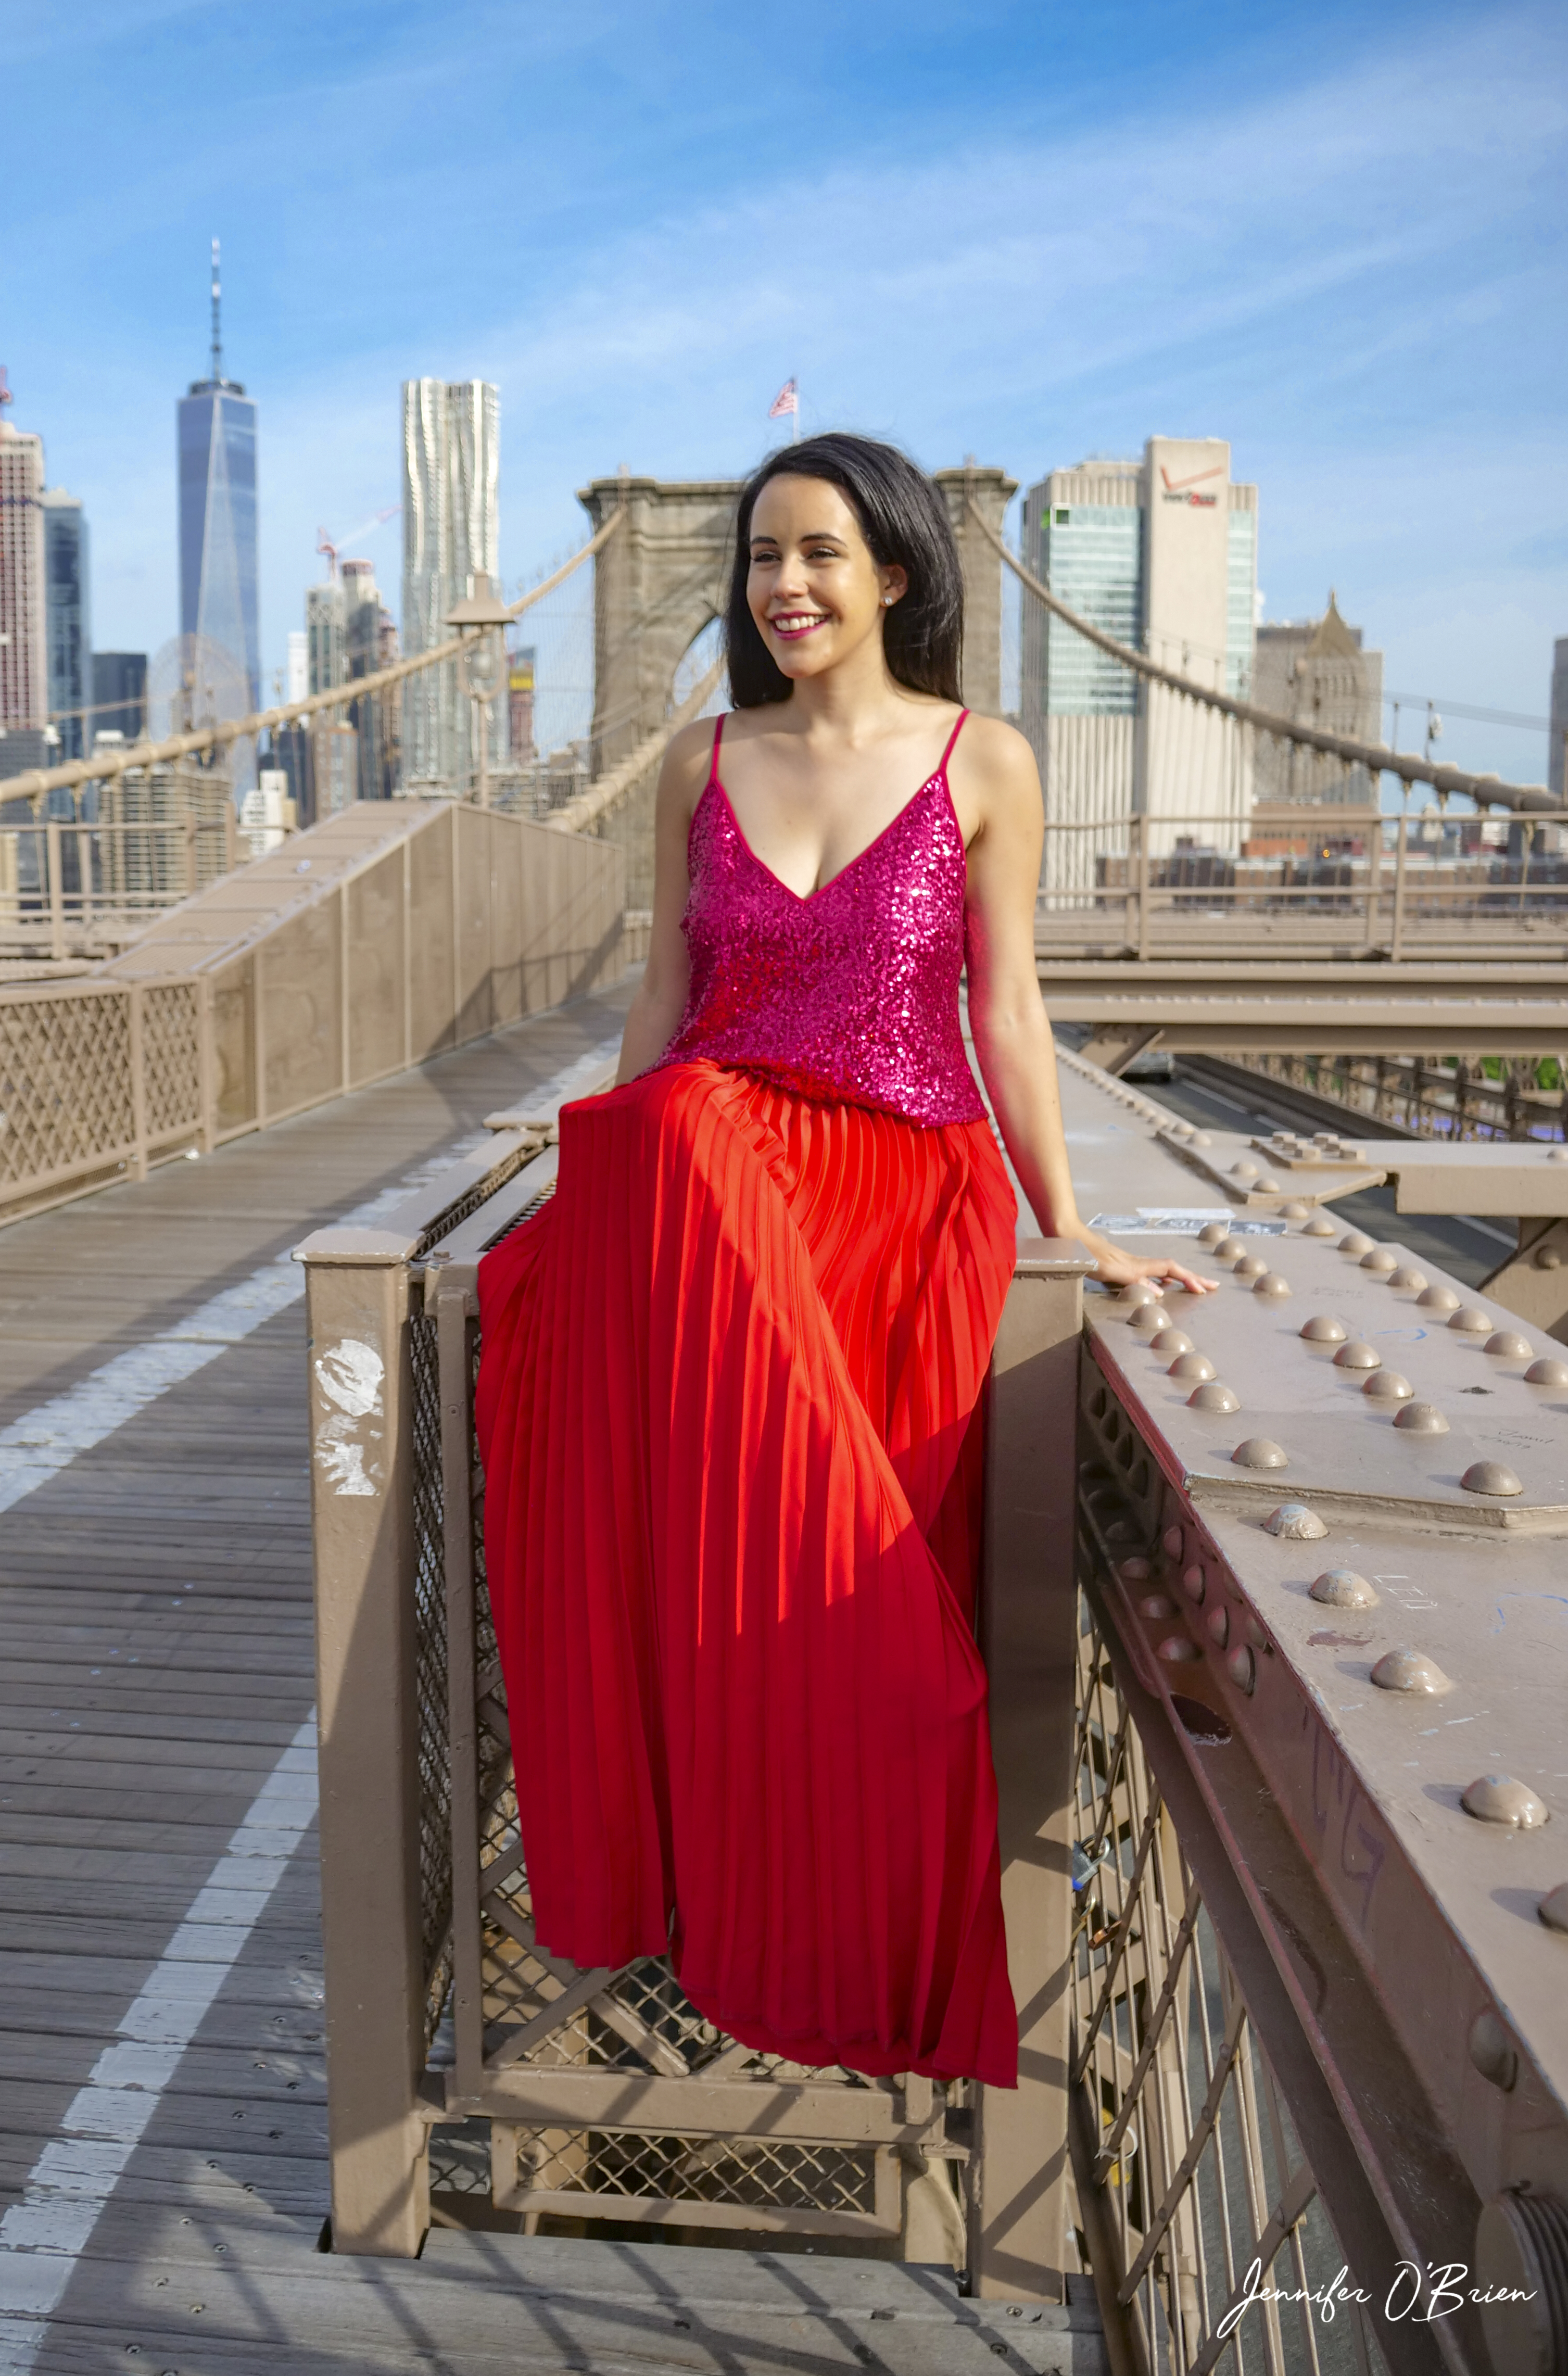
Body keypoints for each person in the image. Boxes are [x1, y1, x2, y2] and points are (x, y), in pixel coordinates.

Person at [474, 431, 1214, 2087]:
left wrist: (1064, 1216)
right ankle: (712, 1926)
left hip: (905, 1205)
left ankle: (850, 1968)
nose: (783, 586)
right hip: (720, 1193)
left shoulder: (986, 762)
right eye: (758, 558)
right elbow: (658, 1012)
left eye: (816, 553)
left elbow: (1006, 1012)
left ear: (893, 571)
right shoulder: (695, 760)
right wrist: (608, 1173)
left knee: (845, 1614)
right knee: (668, 1138)